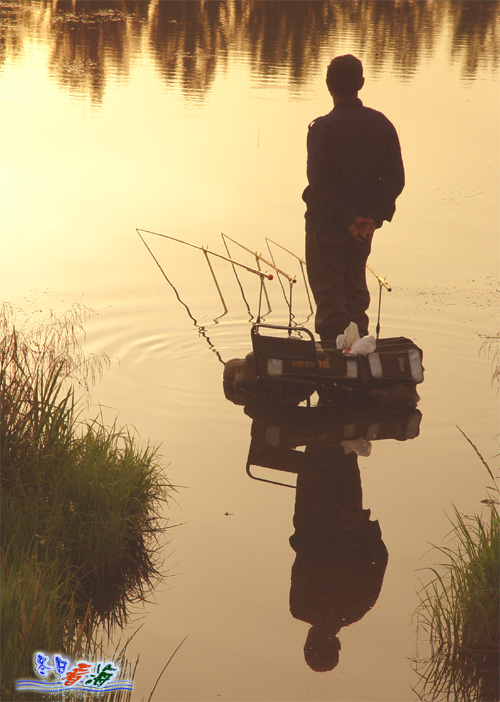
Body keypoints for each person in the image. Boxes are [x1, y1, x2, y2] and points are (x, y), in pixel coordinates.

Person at [303, 54, 405, 346]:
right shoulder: (382, 125)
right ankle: (357, 356)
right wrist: (371, 217)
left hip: (327, 229)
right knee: (356, 299)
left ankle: (337, 367)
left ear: (328, 85)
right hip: (362, 231)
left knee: (331, 305)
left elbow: (319, 184)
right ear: (361, 83)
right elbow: (394, 180)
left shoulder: (321, 129)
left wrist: (348, 220)